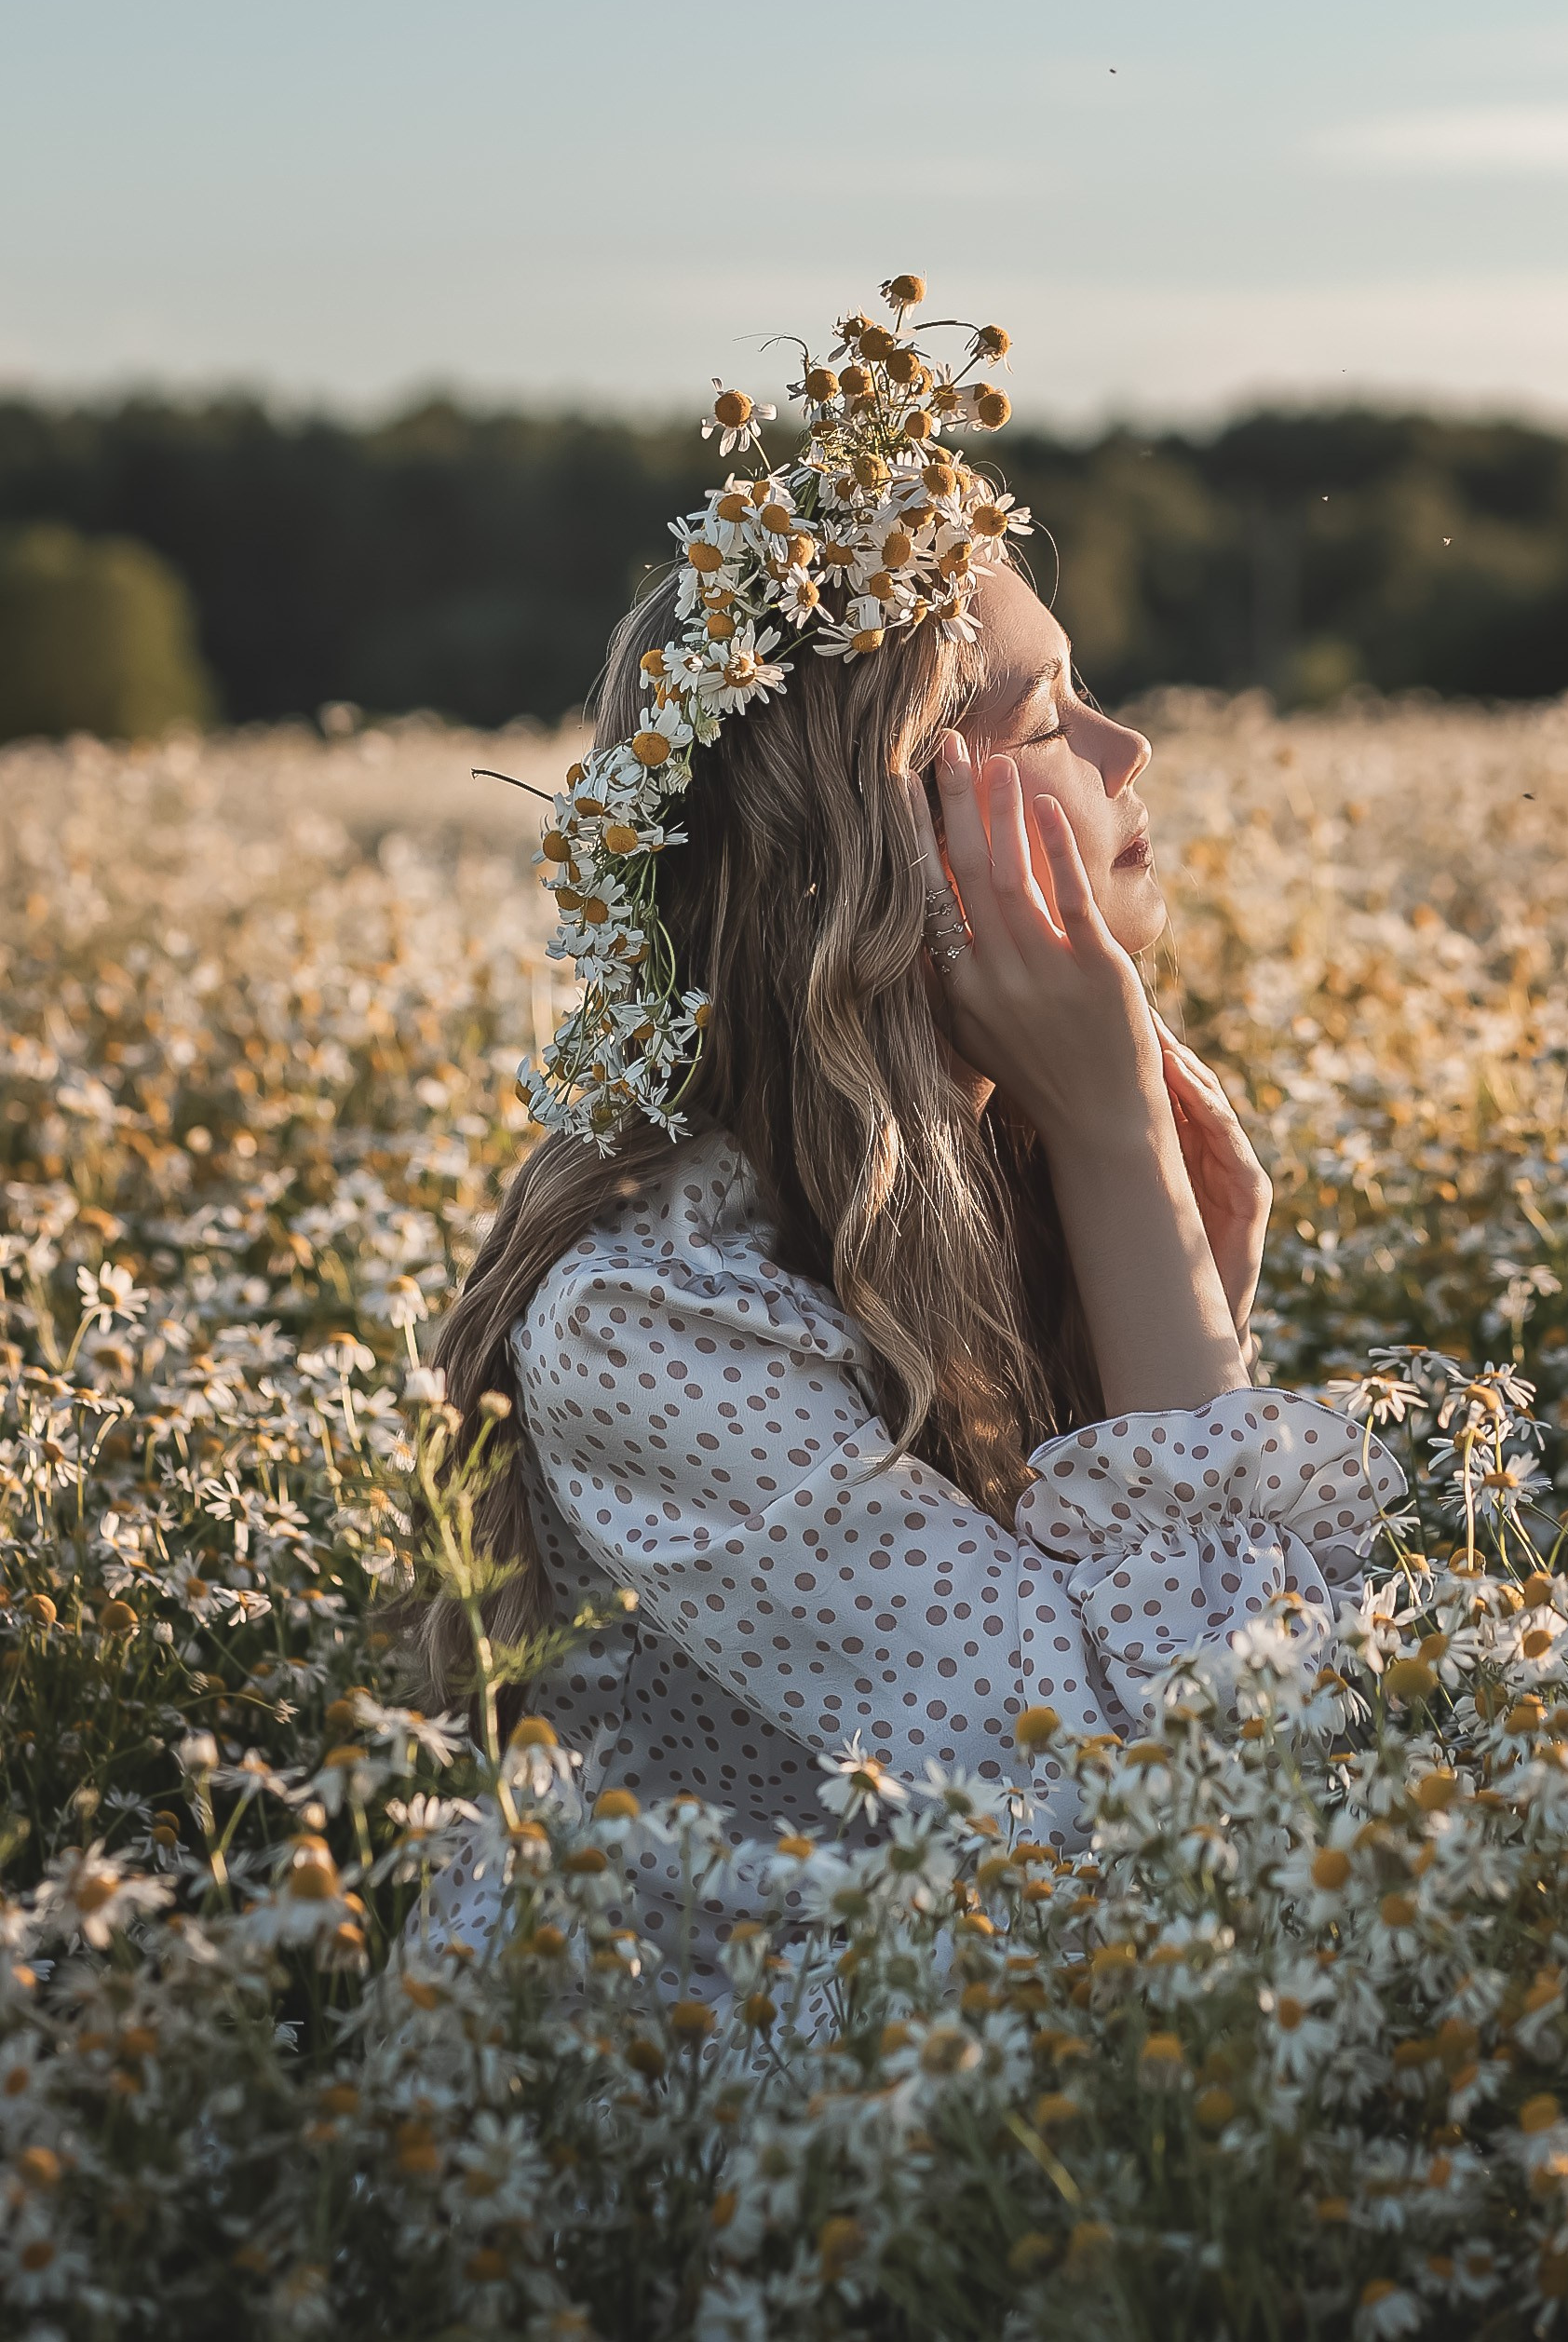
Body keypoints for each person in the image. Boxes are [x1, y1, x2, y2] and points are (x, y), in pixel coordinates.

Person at [412, 287, 1399, 1984]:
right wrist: (1127, 1178)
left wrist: (1149, 1246)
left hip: (984, 2020)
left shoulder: (989, 1181)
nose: (1124, 745)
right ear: (893, 855)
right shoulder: (653, 1328)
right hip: (708, 2118)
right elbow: (1179, 1807)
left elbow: (1284, 1762)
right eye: (1039, 721)